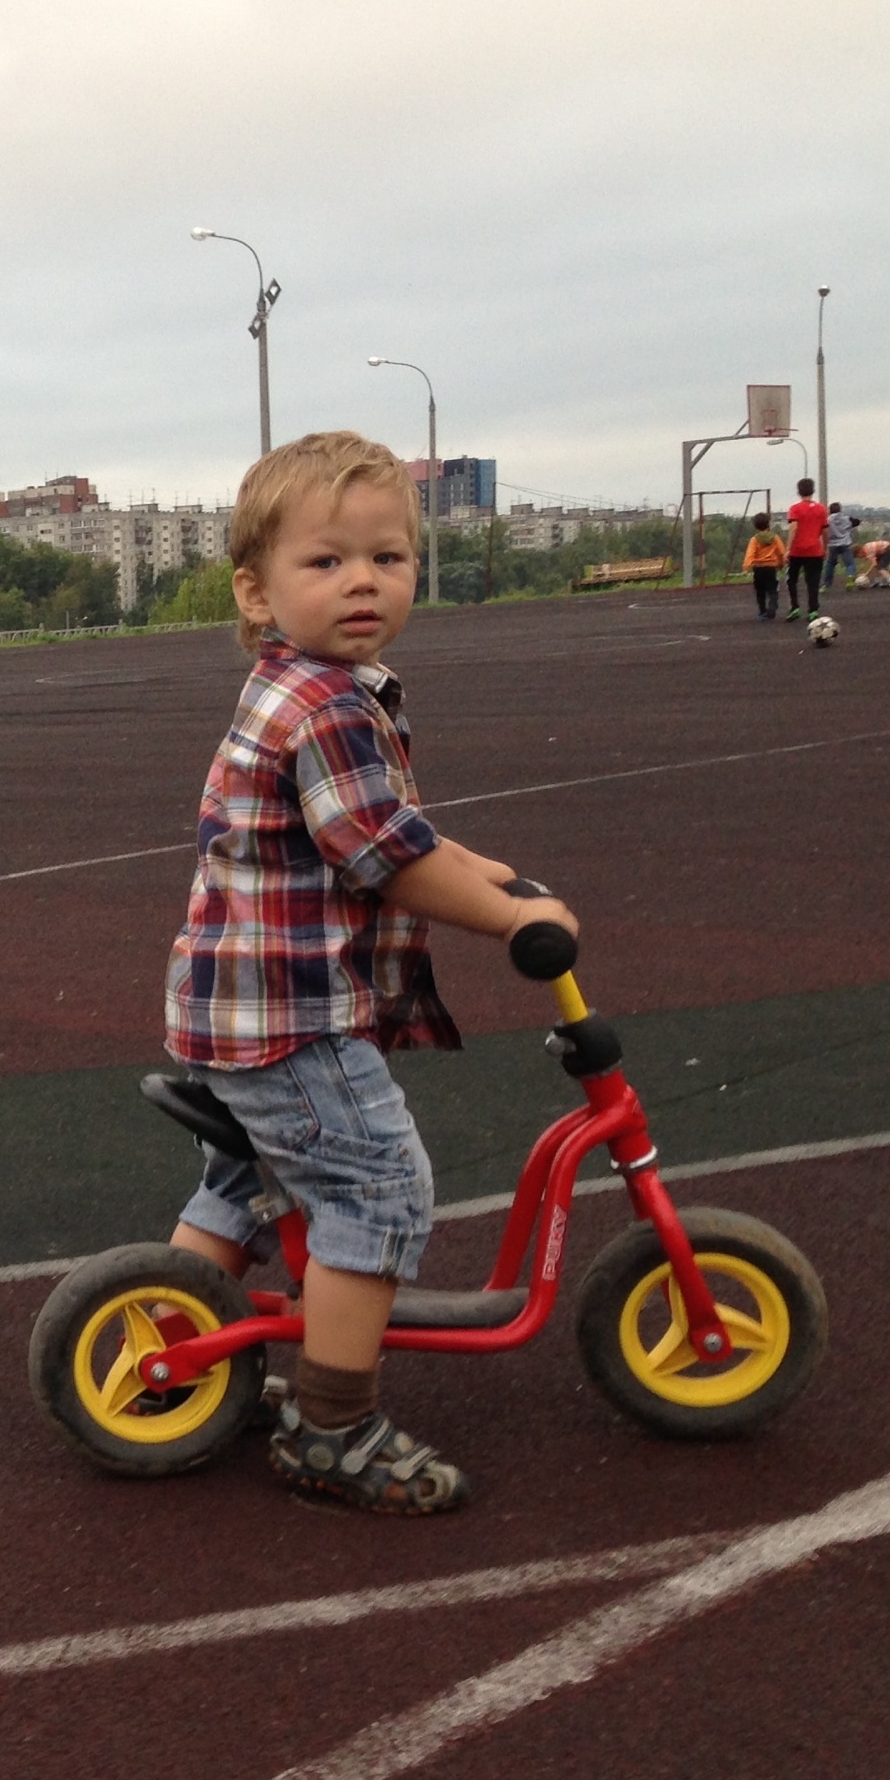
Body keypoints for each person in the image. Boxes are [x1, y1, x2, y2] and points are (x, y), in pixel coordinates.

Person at [163, 430, 577, 1515]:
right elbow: (386, 855)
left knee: (247, 1185)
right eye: (328, 560)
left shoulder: (298, 685)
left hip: (235, 1005)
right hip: (292, 1018)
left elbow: (388, 828)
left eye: (387, 558)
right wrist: (510, 918)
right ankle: (332, 1426)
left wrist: (486, 871)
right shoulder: (331, 707)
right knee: (375, 1186)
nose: (363, 581)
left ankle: (169, 1352)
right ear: (255, 591)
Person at [784, 476, 829, 621]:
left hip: (797, 551)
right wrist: (825, 548)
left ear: (798, 491)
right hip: (815, 550)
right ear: (813, 490)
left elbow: (793, 527)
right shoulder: (821, 509)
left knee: (791, 580)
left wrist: (788, 548)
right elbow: (825, 531)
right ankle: (813, 610)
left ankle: (795, 607)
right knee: (813, 581)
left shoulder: (795, 509)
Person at [741, 512, 787, 620]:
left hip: (758, 568)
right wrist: (781, 564)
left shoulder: (754, 539)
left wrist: (746, 568)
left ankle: (762, 612)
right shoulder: (775, 538)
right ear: (768, 524)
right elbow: (781, 552)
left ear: (755, 526)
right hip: (771, 567)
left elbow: (750, 554)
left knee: (760, 591)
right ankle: (772, 608)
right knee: (772, 589)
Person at [822, 502, 858, 589]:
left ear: (830, 510)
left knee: (830, 564)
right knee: (850, 564)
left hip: (832, 544)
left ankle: (826, 585)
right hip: (845, 543)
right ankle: (850, 576)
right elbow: (857, 522)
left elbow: (823, 529)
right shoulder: (846, 518)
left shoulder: (827, 520)